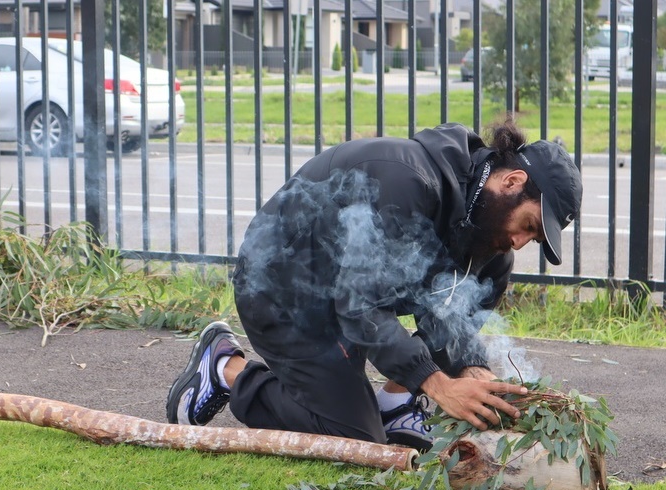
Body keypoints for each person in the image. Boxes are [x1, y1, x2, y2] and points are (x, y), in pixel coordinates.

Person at [166, 120, 583, 450]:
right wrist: (439, 386)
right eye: (529, 226)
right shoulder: (405, 180)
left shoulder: (490, 242)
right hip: (282, 293)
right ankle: (225, 369)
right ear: (511, 182)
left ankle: (393, 403)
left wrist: (473, 373)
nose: (519, 243)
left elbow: (456, 319)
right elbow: (360, 306)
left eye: (535, 241)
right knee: (355, 439)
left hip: (342, 304)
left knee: (389, 404)